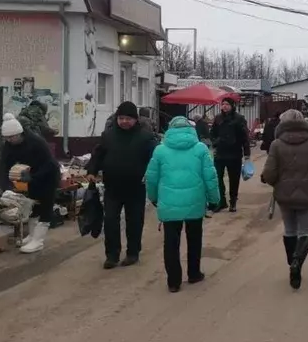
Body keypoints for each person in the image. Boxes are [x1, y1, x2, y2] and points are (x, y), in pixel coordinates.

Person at [145, 116, 220, 293]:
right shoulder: (201, 149)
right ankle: (194, 273)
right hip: (195, 202)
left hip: (169, 204)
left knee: (171, 242)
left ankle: (173, 281)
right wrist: (215, 199)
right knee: (194, 239)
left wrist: (153, 197)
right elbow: (210, 176)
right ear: (190, 130)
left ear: (170, 130)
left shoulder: (160, 151)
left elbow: (151, 178)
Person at [260, 109, 308, 290]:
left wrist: (274, 180)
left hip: (284, 196)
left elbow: (269, 173)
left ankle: (291, 261)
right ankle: (297, 262)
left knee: (290, 229)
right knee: (306, 230)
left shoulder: (276, 144)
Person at [88, 101, 159, 270]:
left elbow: (155, 160)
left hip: (136, 187)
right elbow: (98, 154)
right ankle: (112, 255)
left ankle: (133, 253)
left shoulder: (145, 137)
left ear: (135, 119)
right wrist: (92, 170)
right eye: (121, 118)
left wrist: (153, 176)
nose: (124, 121)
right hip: (112, 186)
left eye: (128, 118)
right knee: (110, 220)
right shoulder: (108, 135)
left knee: (134, 221)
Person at [0, 113, 60, 254]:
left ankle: (38, 240)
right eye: (7, 138)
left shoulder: (36, 142)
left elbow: (50, 164)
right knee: (32, 204)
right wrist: (2, 187)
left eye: (12, 137)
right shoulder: (9, 146)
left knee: (45, 205)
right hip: (30, 175)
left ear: (20, 133)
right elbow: (4, 167)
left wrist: (33, 176)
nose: (10, 140)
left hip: (48, 176)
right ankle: (32, 236)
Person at [0, 100, 55, 183]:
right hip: (3, 155)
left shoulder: (22, 114)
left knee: (2, 181)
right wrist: (53, 131)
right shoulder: (37, 113)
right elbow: (44, 129)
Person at [210, 98, 251, 213]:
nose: (224, 106)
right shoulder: (218, 118)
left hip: (234, 154)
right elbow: (212, 133)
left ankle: (233, 201)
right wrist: (215, 142)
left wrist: (247, 153)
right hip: (220, 153)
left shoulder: (239, 119)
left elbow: (245, 137)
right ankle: (221, 201)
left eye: (227, 104)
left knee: (234, 179)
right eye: (223, 104)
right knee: (217, 178)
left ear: (232, 106)